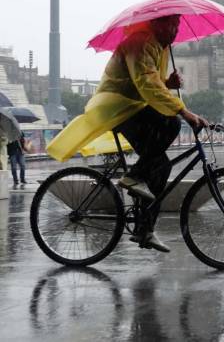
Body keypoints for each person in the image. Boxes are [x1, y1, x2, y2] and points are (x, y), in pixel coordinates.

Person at [47, 15, 208, 253]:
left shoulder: (159, 46)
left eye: (177, 25)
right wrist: (185, 112)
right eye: (169, 25)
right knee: (172, 123)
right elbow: (146, 85)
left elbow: (149, 82)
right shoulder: (141, 42)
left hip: (132, 106)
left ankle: (145, 229)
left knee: (160, 167)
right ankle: (133, 176)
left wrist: (167, 83)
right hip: (115, 106)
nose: (174, 30)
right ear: (155, 24)